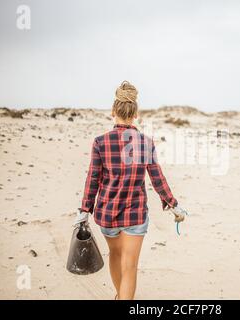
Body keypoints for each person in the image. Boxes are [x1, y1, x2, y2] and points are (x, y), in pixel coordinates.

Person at [76, 81, 185, 300]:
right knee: (130, 266)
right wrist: (173, 204)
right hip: (135, 214)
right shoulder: (146, 142)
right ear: (135, 114)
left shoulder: (100, 142)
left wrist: (84, 209)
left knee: (115, 256)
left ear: (113, 111)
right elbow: (157, 178)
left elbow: (93, 178)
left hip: (107, 213)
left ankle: (119, 296)